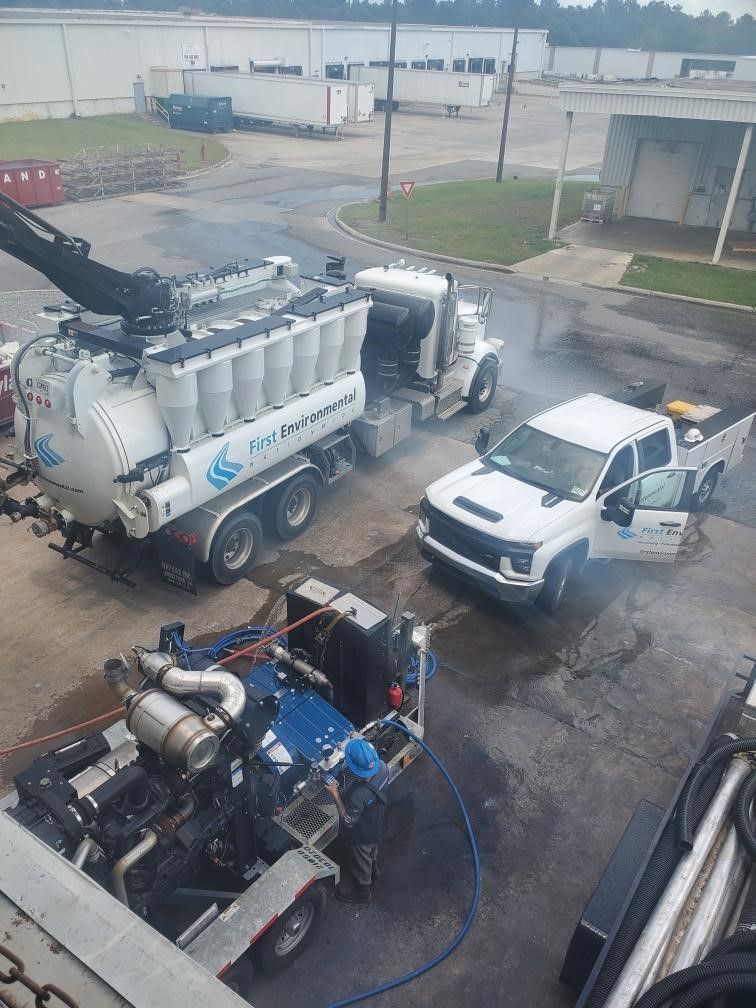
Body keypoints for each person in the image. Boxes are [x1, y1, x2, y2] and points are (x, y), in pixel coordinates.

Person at [324, 738, 389, 904]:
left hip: (362, 836)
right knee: (372, 851)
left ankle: (363, 892)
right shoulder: (383, 767)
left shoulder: (358, 795)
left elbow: (347, 820)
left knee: (361, 860)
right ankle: (376, 871)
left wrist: (335, 794)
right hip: (377, 823)